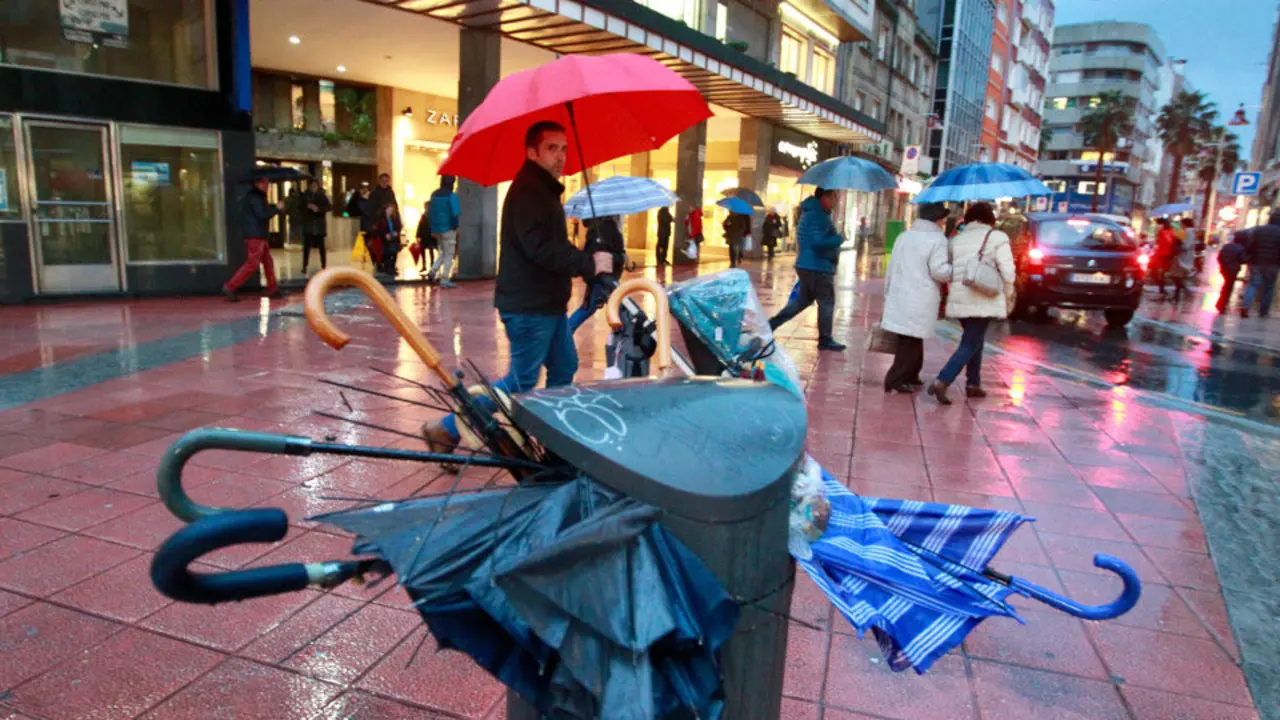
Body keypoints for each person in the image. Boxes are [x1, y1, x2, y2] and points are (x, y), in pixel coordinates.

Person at [420, 120, 614, 455]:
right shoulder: (529, 192)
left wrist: (588, 253)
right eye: (551, 148)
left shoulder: (543, 190)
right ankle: (445, 429)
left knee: (564, 367)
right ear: (532, 152)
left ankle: (553, 440)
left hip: (547, 304)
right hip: (529, 307)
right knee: (522, 381)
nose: (560, 156)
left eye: (564, 149)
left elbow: (550, 245)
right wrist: (588, 263)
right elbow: (541, 248)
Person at [927, 202, 1015, 405]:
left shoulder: (957, 240)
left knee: (975, 339)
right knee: (970, 343)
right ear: (990, 218)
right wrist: (1009, 293)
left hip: (960, 298)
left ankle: (973, 383)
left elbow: (950, 267)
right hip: (984, 297)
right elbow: (1008, 271)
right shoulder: (998, 237)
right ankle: (942, 380)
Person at [881, 203, 953, 393]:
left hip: (900, 293)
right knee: (910, 341)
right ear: (937, 218)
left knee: (910, 337)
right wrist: (953, 270)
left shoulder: (904, 236)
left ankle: (912, 374)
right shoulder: (938, 239)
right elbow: (939, 271)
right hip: (921, 296)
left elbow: (892, 266)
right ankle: (895, 379)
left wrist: (888, 291)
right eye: (943, 218)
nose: (944, 221)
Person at [768, 188, 847, 352]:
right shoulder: (818, 216)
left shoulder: (812, 213)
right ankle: (825, 339)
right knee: (826, 302)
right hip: (818, 266)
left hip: (808, 264)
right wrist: (839, 238)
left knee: (802, 301)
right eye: (834, 196)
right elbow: (817, 242)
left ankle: (772, 324)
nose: (836, 200)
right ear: (824, 197)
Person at [223, 176, 285, 302]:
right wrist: (276, 208)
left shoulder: (256, 197)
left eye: (267, 183)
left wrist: (272, 207)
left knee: (267, 261)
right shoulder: (256, 198)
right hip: (255, 235)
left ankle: (273, 288)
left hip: (258, 234)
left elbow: (261, 212)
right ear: (257, 184)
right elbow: (262, 214)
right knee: (253, 263)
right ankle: (230, 286)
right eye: (264, 183)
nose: (267, 185)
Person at [568, 216, 626, 333]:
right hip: (606, 280)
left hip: (598, 279)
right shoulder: (610, 231)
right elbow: (619, 256)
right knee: (619, 310)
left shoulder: (594, 231)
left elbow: (587, 256)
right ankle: (565, 333)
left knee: (590, 309)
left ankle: (566, 333)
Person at [1237, 212, 1280, 317]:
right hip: (1273, 264)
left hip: (1256, 262)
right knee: (1269, 287)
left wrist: (1251, 256)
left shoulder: (1259, 230)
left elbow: (1250, 245)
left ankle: (1245, 306)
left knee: (1252, 284)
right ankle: (1263, 311)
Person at [426, 176, 461, 287]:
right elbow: (455, 213)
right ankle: (445, 279)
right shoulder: (452, 196)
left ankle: (433, 271)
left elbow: (430, 213)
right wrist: (456, 226)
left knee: (443, 252)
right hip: (448, 228)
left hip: (436, 228)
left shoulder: (434, 195)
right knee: (449, 254)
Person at [300, 178, 330, 274]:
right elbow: (300, 208)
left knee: (321, 246)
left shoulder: (322, 195)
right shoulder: (305, 196)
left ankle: (324, 265)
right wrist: (307, 208)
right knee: (306, 247)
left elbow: (328, 207)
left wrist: (318, 209)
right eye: (312, 186)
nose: (314, 188)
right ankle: (304, 265)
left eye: (315, 186)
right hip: (308, 225)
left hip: (319, 225)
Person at [1216, 232, 1247, 314]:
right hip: (1233, 270)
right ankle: (1221, 304)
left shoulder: (1226, 246)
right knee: (1228, 287)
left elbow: (1219, 257)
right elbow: (1243, 260)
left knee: (1226, 286)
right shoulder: (1241, 248)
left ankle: (1221, 304)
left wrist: (1223, 264)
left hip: (1224, 269)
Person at [1169, 218, 1196, 303]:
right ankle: (1178, 293)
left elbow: (1185, 246)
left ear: (1184, 224)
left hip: (1182, 257)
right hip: (1185, 257)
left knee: (1176, 275)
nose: (1181, 226)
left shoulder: (1187, 232)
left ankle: (1178, 293)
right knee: (1178, 276)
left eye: (1182, 224)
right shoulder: (1191, 232)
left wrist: (1178, 241)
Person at [371, 204, 403, 276]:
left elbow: (398, 227)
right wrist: (385, 235)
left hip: (394, 238)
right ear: (385, 210)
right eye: (389, 210)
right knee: (387, 254)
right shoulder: (381, 219)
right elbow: (378, 229)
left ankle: (392, 268)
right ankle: (388, 269)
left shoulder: (393, 218)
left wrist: (396, 232)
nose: (390, 212)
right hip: (385, 239)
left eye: (391, 210)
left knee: (394, 253)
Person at [1152, 218, 1177, 297]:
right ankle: (1162, 287)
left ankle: (1161, 287)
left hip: (1160, 254)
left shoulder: (1161, 231)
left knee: (1158, 271)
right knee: (1163, 271)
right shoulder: (1172, 231)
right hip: (1168, 254)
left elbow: (1157, 241)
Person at [414, 201, 438, 274]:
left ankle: (432, 265)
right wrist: (418, 235)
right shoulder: (424, 215)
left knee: (431, 251)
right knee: (423, 250)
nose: (426, 208)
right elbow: (420, 226)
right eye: (425, 206)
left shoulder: (433, 215)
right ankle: (424, 266)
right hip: (424, 236)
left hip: (431, 236)